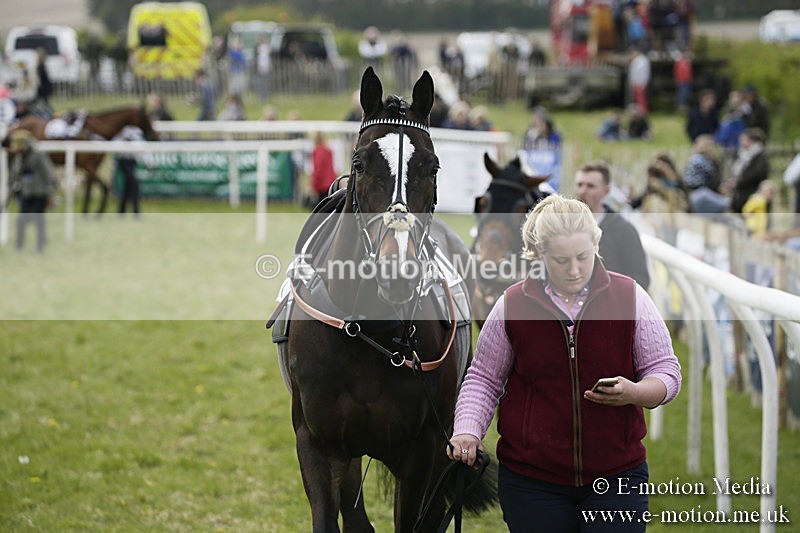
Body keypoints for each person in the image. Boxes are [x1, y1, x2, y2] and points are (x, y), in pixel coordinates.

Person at [449, 195, 681, 532]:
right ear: (539, 254)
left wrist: (636, 392)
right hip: (531, 481)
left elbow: (666, 372)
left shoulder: (631, 297)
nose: (574, 270)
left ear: (595, 247)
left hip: (618, 476)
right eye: (561, 260)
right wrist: (467, 431)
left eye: (583, 257)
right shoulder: (511, 305)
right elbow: (484, 379)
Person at [574, 162, 650, 290]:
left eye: (590, 186)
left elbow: (641, 279)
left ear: (606, 191)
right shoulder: (562, 227)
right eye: (580, 185)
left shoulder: (624, 230)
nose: (583, 191)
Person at [6, 130, 58, 252]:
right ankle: (19, 246)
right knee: (21, 222)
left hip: (40, 194)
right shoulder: (19, 157)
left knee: (38, 221)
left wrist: (50, 194)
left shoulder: (38, 155)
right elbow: (15, 175)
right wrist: (12, 188)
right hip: (26, 193)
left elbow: (49, 175)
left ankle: (40, 247)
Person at [683, 134, 728, 215]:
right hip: (700, 194)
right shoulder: (698, 160)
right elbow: (695, 181)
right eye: (709, 145)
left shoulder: (712, 160)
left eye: (712, 145)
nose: (711, 147)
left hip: (710, 193)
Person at [729, 128, 769, 214]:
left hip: (751, 191)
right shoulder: (741, 154)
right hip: (739, 192)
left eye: (744, 140)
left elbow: (757, 174)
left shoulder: (760, 156)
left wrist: (739, 181)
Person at [114, 126, 144, 217]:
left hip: (132, 161)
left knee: (128, 187)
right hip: (124, 161)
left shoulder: (137, 130)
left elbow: (141, 145)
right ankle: (136, 211)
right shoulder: (124, 129)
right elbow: (115, 143)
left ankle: (122, 211)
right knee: (134, 184)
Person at [310, 132, 338, 208]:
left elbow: (318, 169)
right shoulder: (328, 150)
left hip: (322, 184)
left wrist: (314, 184)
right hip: (331, 181)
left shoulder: (318, 151)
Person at [628, 47, 651, 114]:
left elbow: (644, 72)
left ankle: (643, 112)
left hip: (640, 82)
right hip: (635, 82)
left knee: (641, 99)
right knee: (637, 99)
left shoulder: (643, 60)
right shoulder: (635, 60)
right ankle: (639, 112)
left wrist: (644, 82)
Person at [34, 48, 53, 115]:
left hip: (44, 89)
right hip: (43, 89)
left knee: (45, 104)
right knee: (45, 104)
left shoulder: (41, 67)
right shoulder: (41, 67)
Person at [255, 35, 271, 103]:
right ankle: (262, 97)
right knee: (261, 83)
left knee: (265, 83)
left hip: (265, 67)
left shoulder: (266, 47)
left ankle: (265, 97)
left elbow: (267, 58)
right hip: (261, 67)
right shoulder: (258, 48)